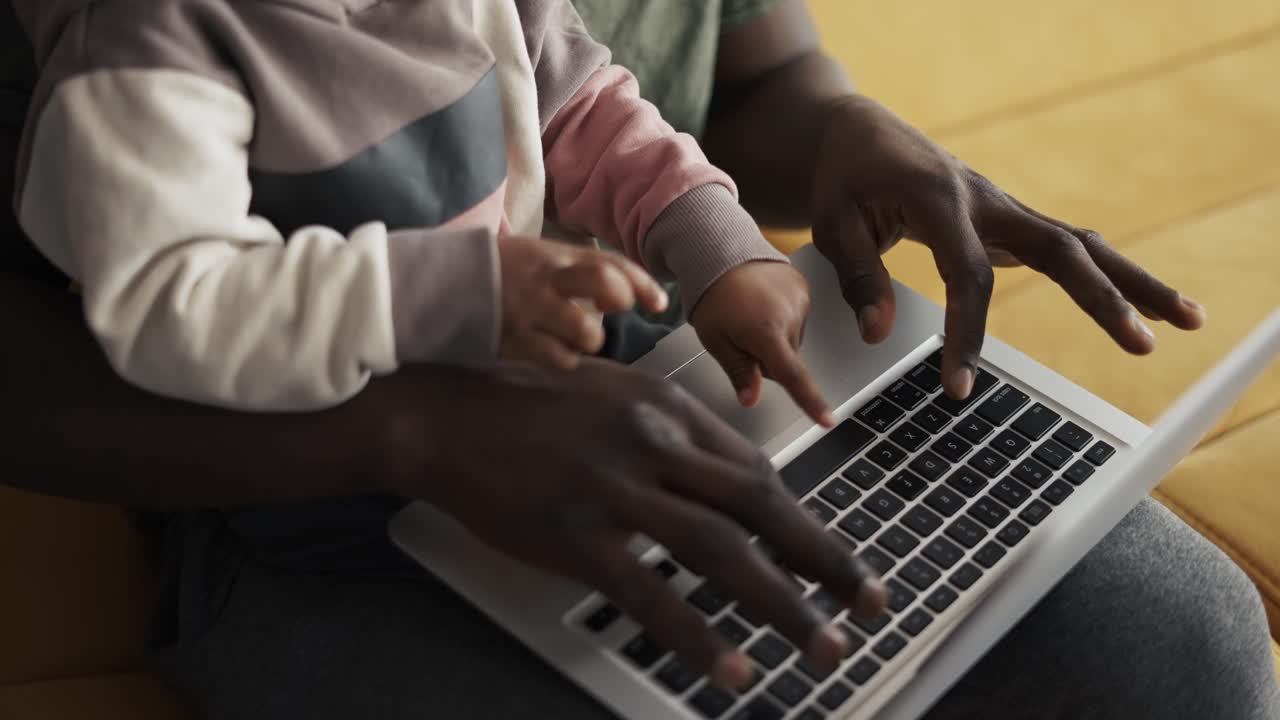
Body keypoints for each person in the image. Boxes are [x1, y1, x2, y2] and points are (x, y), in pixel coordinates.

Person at [1, 2, 1275, 719]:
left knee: (1186, 649)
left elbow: (587, 97)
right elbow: (163, 300)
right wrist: (435, 378)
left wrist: (729, 246)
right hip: (306, 497)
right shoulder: (150, 52)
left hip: (607, 364)